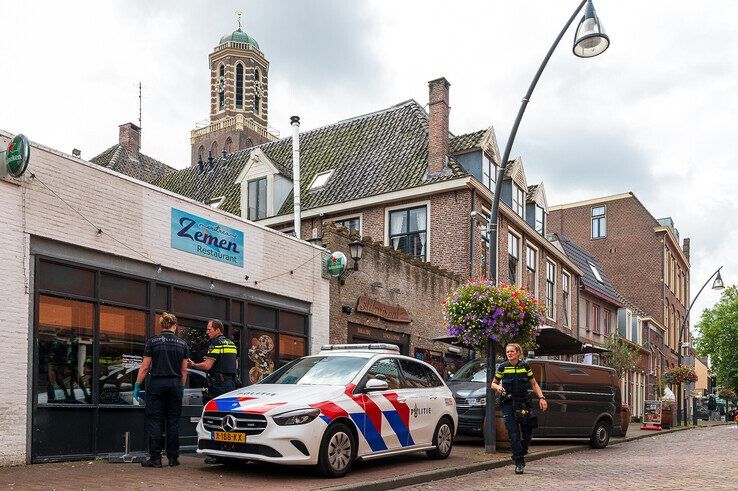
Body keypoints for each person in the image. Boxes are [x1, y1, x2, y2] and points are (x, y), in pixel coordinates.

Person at [134, 312, 189, 468]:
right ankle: (173, 459)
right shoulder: (182, 344)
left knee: (155, 421)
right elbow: (183, 371)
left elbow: (145, 367)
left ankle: (156, 459)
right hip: (175, 384)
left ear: (161, 325)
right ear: (175, 326)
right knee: (172, 422)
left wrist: (137, 385)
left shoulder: (153, 342)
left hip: (157, 384)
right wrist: (181, 387)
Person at [490, 343, 548, 475]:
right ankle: (519, 462)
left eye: (511, 351)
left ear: (518, 353)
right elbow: (493, 383)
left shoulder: (525, 367)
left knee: (528, 432)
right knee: (513, 433)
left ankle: (522, 450)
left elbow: (533, 384)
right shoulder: (503, 367)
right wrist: (498, 387)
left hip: (523, 402)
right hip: (508, 402)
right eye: (507, 352)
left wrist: (542, 398)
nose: (509, 353)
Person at [189, 319, 239, 403]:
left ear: (218, 330)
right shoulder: (231, 343)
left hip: (219, 385)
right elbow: (236, 365)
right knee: (228, 411)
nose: (207, 332)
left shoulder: (216, 343)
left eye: (209, 329)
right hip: (231, 384)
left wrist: (193, 364)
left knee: (215, 411)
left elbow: (207, 366)